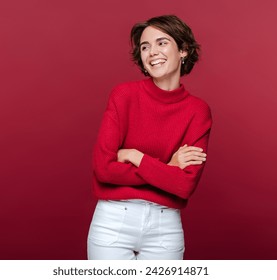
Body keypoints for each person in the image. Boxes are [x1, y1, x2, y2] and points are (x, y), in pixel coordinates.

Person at [87, 15, 212, 260]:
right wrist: (167, 168)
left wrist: (134, 156)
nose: (152, 52)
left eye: (162, 43)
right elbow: (104, 170)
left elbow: (184, 185)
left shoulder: (198, 111)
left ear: (183, 50)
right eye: (145, 47)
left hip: (165, 227)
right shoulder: (124, 96)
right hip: (113, 221)